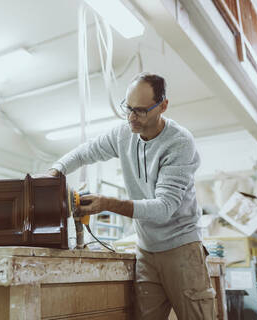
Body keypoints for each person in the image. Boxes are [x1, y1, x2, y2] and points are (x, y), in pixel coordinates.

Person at [48, 72, 215, 319]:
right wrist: (54, 171)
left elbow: (164, 207)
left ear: (163, 106)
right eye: (127, 108)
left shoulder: (179, 143)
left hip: (182, 249)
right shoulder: (123, 133)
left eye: (140, 110)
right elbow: (86, 152)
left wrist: (108, 203)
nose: (131, 118)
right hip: (146, 250)